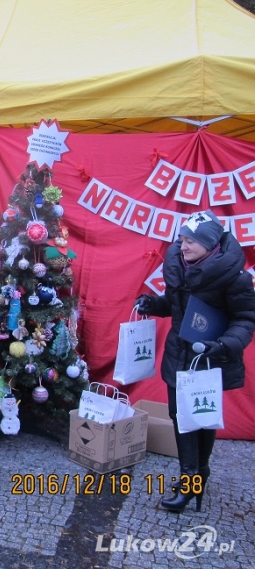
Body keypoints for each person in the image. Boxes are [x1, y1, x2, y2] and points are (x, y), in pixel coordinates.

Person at [135, 210, 255, 512]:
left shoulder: (235, 278)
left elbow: (246, 317)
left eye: (190, 241)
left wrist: (224, 345)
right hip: (180, 353)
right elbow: (177, 308)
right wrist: (154, 304)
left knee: (202, 414)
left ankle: (196, 476)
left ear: (210, 244)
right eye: (182, 240)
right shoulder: (179, 266)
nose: (183, 246)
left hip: (209, 355)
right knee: (181, 416)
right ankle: (194, 476)